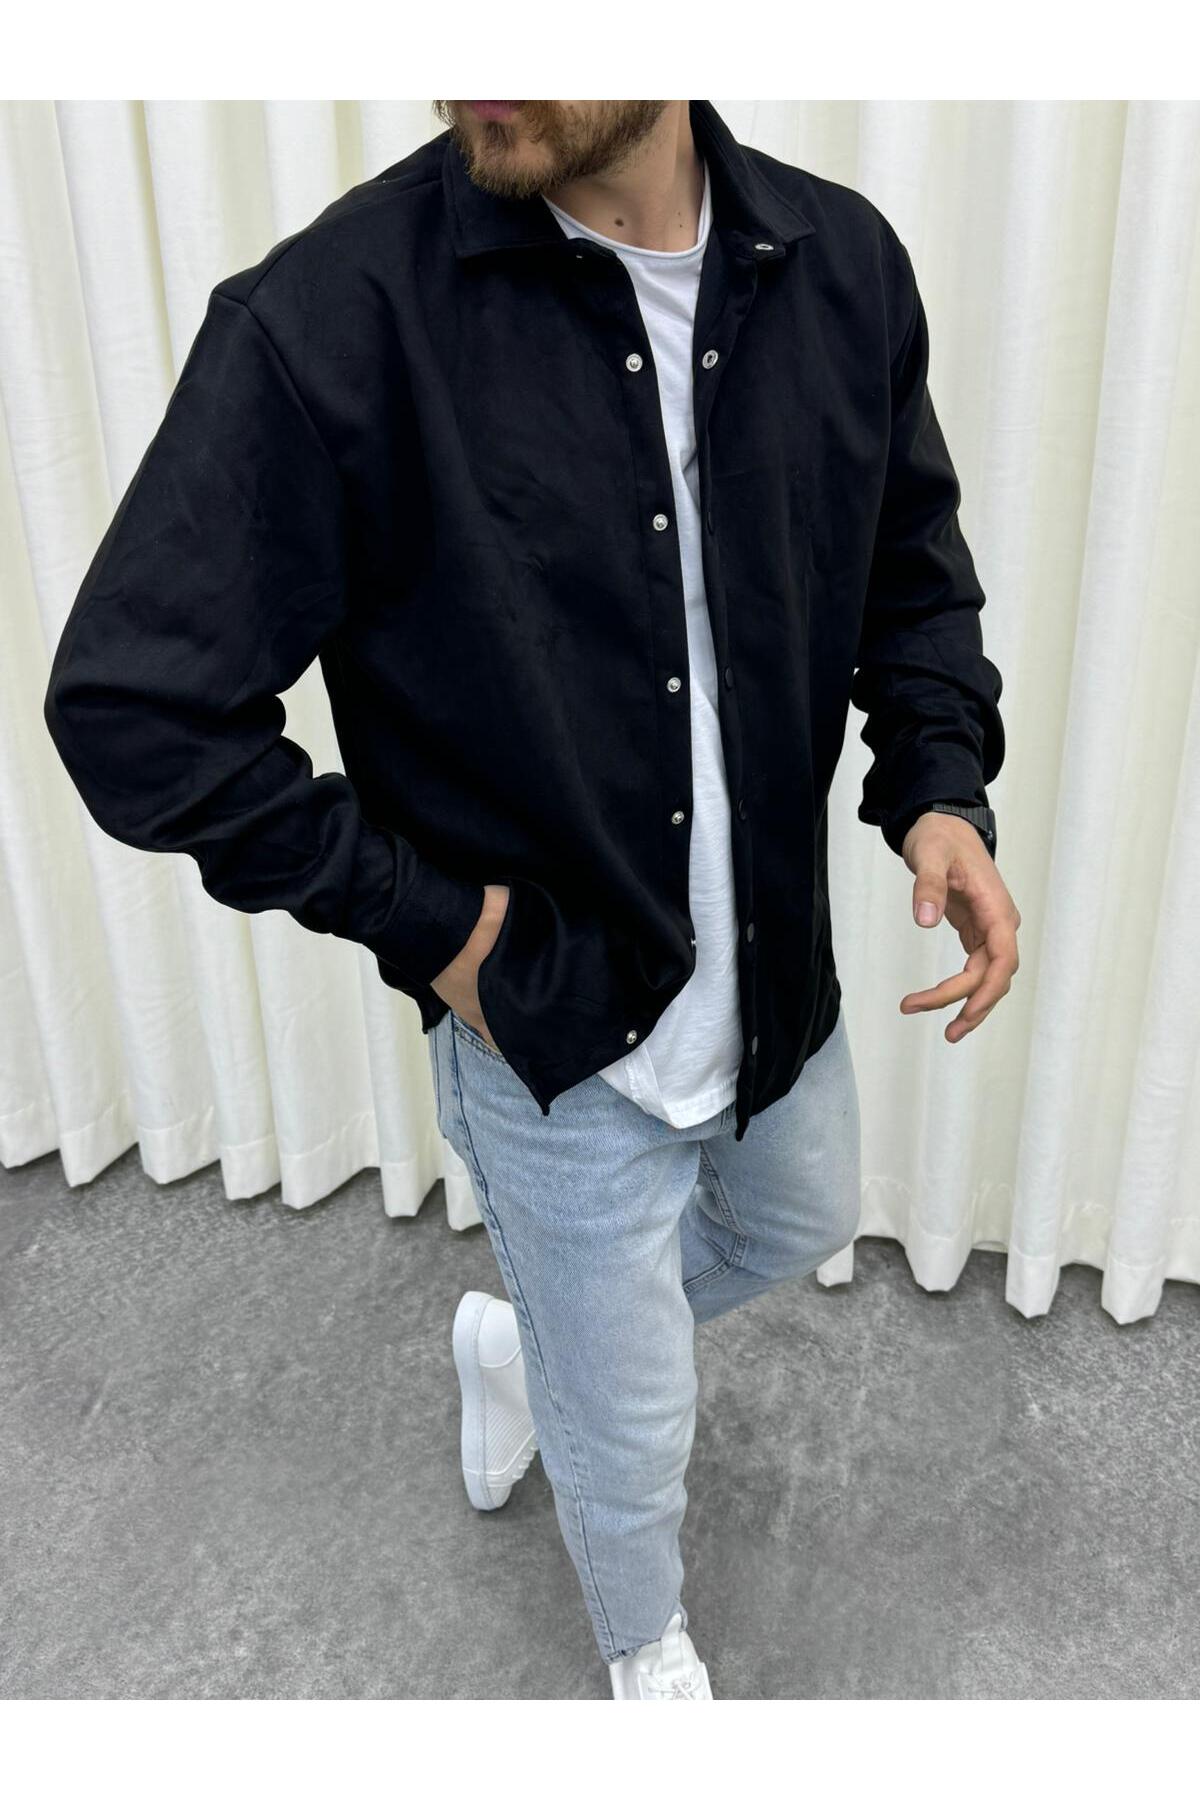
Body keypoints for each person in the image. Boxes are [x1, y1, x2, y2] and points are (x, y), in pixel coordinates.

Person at [43, 99, 1020, 1700]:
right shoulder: (335, 317)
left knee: (796, 1217)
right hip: (545, 1007)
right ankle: (645, 1658)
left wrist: (937, 785)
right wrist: (441, 929)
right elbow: (135, 708)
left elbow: (910, 565)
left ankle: (524, 1347)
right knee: (631, 1426)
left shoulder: (837, 264)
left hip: (771, 959)